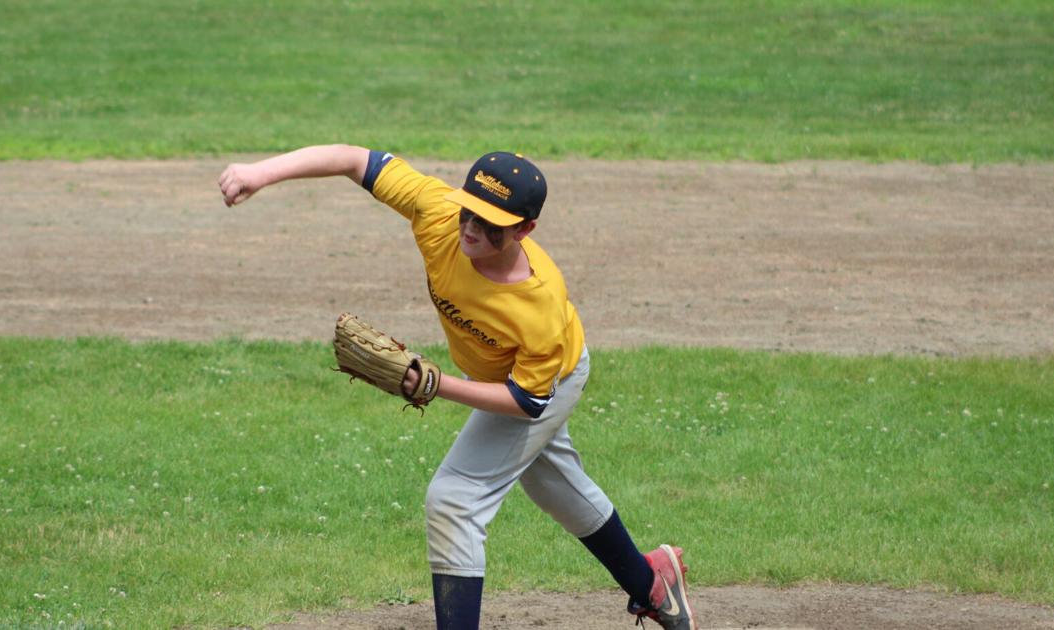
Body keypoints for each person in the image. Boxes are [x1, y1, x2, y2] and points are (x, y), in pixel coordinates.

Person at [218, 145, 696, 630]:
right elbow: (351, 158)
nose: (471, 229)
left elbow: (525, 403)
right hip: (500, 379)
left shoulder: (539, 303)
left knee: (454, 499)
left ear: (525, 229)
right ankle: (653, 582)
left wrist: (434, 384)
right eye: (470, 212)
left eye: (492, 225)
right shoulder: (438, 211)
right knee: (555, 487)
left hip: (547, 384)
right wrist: (261, 172)